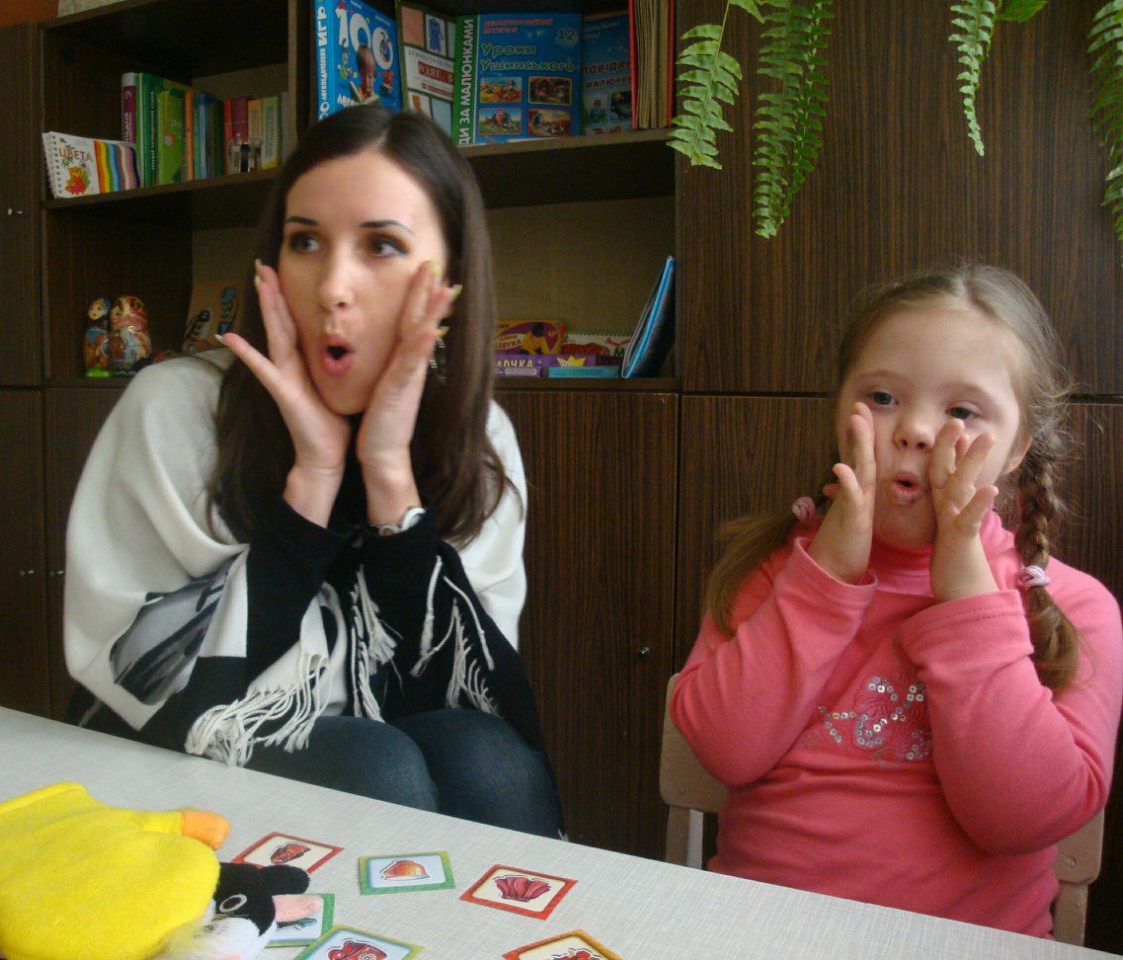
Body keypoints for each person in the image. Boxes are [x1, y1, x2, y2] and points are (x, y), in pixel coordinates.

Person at [64, 104, 562, 838]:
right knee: (375, 766)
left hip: (380, 748)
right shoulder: (175, 408)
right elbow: (149, 679)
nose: (333, 286)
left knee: (492, 760)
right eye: (305, 242)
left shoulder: (477, 437)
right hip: (171, 752)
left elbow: (457, 691)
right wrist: (314, 480)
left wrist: (387, 472)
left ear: (451, 276)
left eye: (382, 246)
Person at [670, 264, 1122, 937]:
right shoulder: (773, 570)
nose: (914, 430)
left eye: (962, 411)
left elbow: (1023, 818)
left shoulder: (1072, 608)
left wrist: (966, 594)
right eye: (882, 397)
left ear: (1018, 448)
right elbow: (724, 749)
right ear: (840, 412)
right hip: (763, 934)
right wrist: (825, 578)